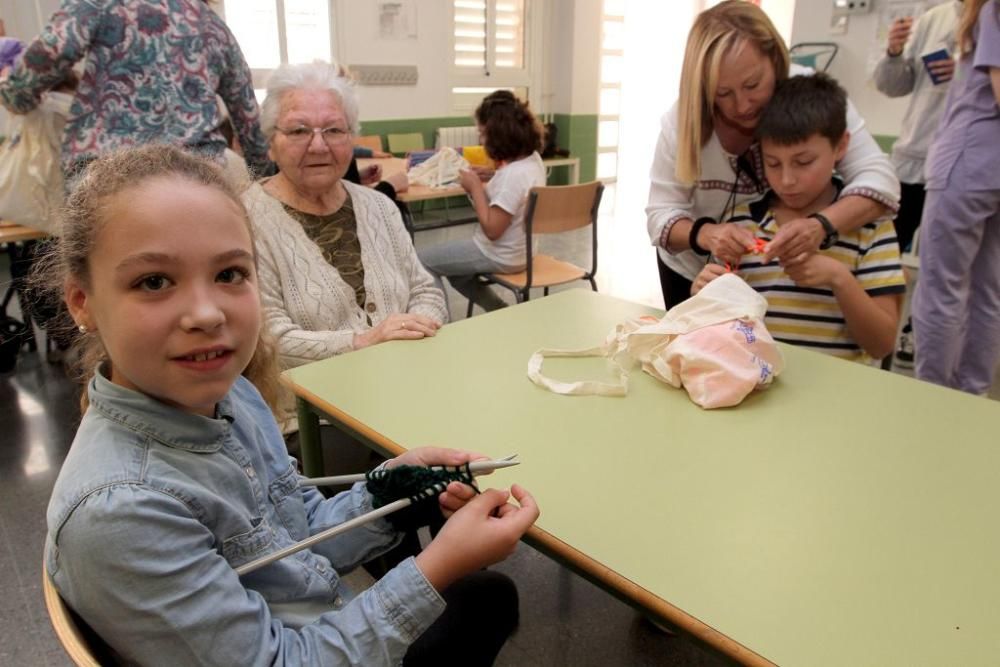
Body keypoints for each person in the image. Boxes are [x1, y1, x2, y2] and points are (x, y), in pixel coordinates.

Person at [42, 144, 539, 665]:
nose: (207, 314)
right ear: (82, 302)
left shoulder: (231, 395)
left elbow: (295, 533)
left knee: (488, 597)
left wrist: (390, 492)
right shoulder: (122, 513)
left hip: (308, 615)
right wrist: (437, 565)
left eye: (230, 273)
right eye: (154, 282)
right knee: (485, 598)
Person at [646, 0, 900, 310]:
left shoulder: (805, 91)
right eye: (723, 93)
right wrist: (706, 234)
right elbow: (660, 214)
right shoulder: (682, 119)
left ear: (776, 60)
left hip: (777, 272)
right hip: (695, 268)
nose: (742, 106)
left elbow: (882, 180)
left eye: (753, 84)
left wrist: (820, 225)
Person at [692, 74, 905, 363]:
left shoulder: (871, 226)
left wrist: (838, 278)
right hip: (755, 386)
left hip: (837, 395)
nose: (787, 180)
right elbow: (718, 331)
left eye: (804, 162)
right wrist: (703, 294)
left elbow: (882, 344)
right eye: (772, 163)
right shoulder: (740, 223)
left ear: (841, 146)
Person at [246, 61, 445, 369]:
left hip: (403, 380)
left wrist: (413, 331)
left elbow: (425, 291)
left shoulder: (379, 206)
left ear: (352, 138)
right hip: (308, 410)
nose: (318, 145)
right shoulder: (245, 220)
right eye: (299, 130)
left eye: (334, 130)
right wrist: (363, 342)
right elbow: (267, 339)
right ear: (271, 143)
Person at [0, 0, 271, 181]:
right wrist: (264, 176)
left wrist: (15, 97)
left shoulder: (96, 5)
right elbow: (248, 115)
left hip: (108, 172)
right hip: (197, 172)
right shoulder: (210, 22)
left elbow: (51, 52)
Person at [912, 0, 1000, 395]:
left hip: (969, 162)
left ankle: (932, 398)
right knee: (988, 289)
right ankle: (972, 396)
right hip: (990, 170)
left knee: (941, 289)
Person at [873, 1, 961, 368]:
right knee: (885, 259)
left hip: (963, 168)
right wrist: (894, 52)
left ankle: (926, 345)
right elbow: (893, 86)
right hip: (912, 163)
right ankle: (883, 344)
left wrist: (968, 72)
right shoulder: (936, 18)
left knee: (949, 271)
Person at [417, 90, 546, 314]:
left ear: (499, 135)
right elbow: (513, 190)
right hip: (523, 252)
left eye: (483, 133)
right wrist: (492, 175)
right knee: (456, 270)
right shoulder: (533, 162)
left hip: (499, 254)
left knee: (422, 262)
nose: (481, 139)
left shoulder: (512, 177)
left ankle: (437, 323)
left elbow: (493, 230)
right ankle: (498, 310)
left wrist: (475, 187)